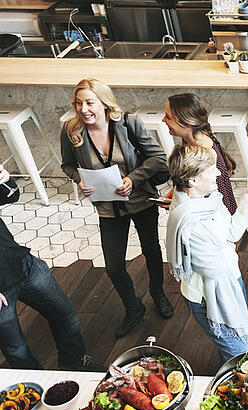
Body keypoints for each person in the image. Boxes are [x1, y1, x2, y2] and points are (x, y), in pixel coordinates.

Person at [60, 78, 172, 338]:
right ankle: (133, 307)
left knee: (151, 250)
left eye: (89, 102)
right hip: (108, 206)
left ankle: (157, 291)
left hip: (140, 200)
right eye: (78, 103)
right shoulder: (71, 130)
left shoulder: (128, 124)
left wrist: (133, 179)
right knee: (113, 265)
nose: (83, 109)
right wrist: (79, 180)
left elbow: (156, 158)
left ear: (104, 103)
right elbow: (67, 164)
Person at [0, 165, 103, 371]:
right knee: (15, 347)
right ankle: (35, 387)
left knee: (65, 315)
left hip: (22, 263)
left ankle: (74, 364)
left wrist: (4, 179)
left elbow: (11, 196)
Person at [166, 145, 248, 363]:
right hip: (208, 297)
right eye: (212, 169)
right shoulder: (190, 223)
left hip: (230, 281)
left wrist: (246, 201)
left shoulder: (211, 198)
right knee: (242, 357)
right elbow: (215, 269)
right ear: (193, 181)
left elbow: (231, 234)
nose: (218, 172)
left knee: (237, 350)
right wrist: (225, 248)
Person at [162, 93, 237, 214]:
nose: (163, 120)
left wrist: (178, 203)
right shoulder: (190, 139)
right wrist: (177, 192)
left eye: (168, 117)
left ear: (185, 123)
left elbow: (217, 199)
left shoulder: (204, 155)